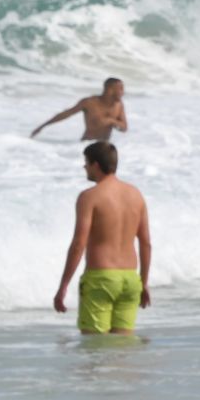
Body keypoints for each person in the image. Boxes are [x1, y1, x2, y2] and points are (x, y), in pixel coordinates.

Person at [53, 142, 152, 335]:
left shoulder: (89, 197)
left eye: (86, 163)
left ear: (96, 165)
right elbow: (146, 242)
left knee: (95, 350)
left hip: (101, 279)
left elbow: (79, 244)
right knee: (121, 351)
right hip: (130, 280)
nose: (84, 168)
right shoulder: (136, 195)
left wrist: (64, 285)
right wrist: (144, 283)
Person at [31, 78, 128, 141]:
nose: (122, 92)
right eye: (120, 89)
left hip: (104, 147)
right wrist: (43, 126)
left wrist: (111, 121)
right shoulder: (89, 103)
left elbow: (124, 128)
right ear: (109, 90)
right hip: (86, 145)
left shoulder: (119, 105)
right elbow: (67, 113)